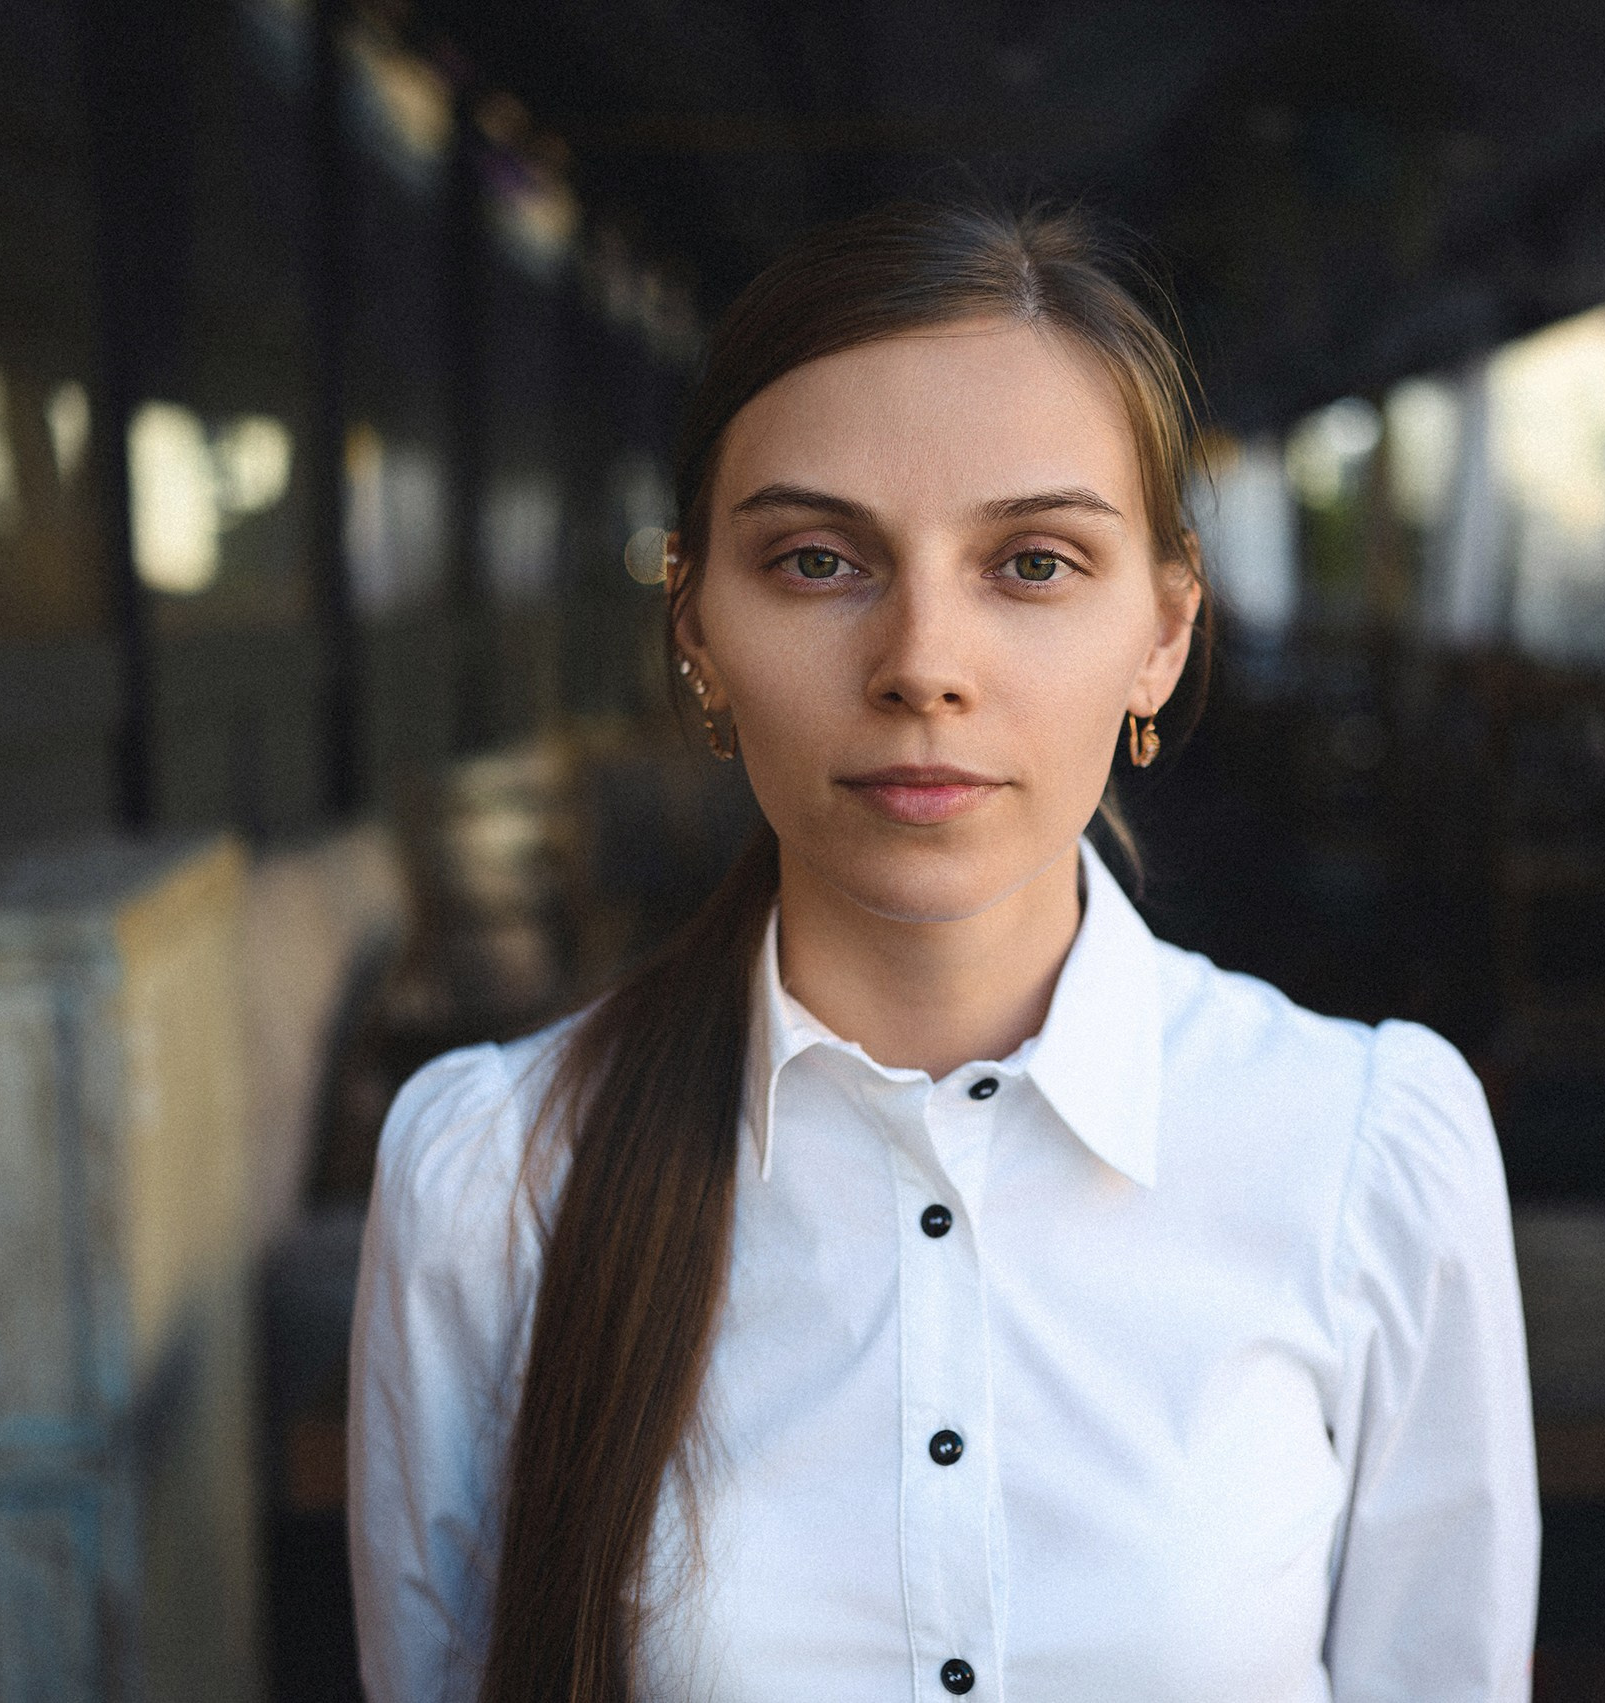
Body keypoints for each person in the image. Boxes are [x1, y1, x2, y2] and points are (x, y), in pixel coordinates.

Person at [348, 200, 1538, 1703]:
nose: (921, 663)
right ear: (695, 630)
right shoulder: (489, 1179)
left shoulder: (1367, 1153)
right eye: (815, 562)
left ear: (1163, 632)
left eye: (1034, 564)